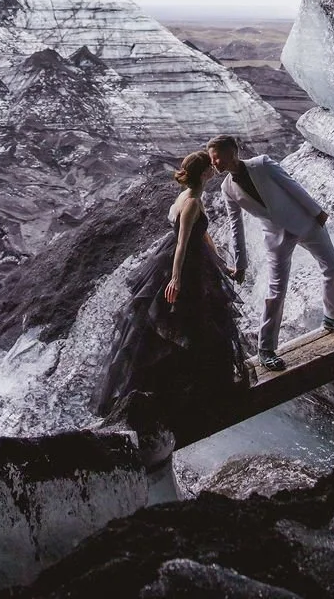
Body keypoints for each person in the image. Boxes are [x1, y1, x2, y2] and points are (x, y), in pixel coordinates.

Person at [97, 149, 249, 445]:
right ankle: (191, 395)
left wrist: (220, 263)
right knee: (192, 325)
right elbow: (181, 244)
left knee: (194, 327)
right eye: (210, 166)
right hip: (186, 267)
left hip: (196, 261)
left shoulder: (190, 197)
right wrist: (176, 278)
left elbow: (201, 235)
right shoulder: (190, 201)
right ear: (203, 173)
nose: (215, 169)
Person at [207, 134, 334, 374]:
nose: (214, 163)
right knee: (276, 292)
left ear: (232, 153)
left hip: (305, 222)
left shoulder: (262, 164)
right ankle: (266, 349)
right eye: (212, 159)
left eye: (217, 157)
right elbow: (236, 225)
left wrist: (317, 211)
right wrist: (241, 263)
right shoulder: (227, 188)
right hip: (276, 237)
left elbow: (292, 185)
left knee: (331, 267)